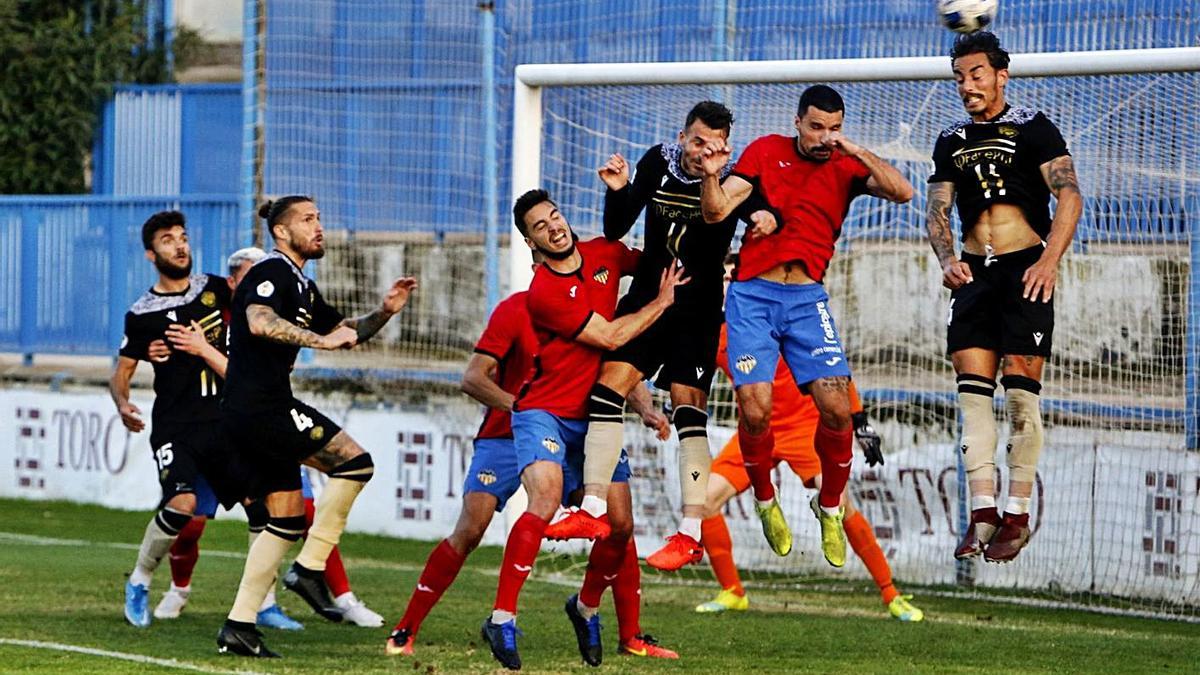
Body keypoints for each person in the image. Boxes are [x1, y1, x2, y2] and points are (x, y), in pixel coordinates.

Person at [386, 263, 676, 661]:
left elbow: (614, 370)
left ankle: (631, 635)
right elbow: (474, 377)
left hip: (577, 430)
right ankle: (407, 628)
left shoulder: (594, 312)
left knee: (617, 523)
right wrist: (524, 409)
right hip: (508, 433)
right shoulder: (515, 310)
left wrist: (646, 408)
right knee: (471, 529)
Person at [547, 101, 775, 572]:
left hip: (696, 310)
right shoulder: (658, 161)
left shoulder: (736, 179)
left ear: (725, 146)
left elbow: (759, 215)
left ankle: (690, 533)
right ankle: (591, 508)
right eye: (696, 142)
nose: (701, 152)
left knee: (688, 407)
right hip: (649, 300)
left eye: (712, 145)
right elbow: (616, 228)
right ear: (682, 135)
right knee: (606, 390)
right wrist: (618, 190)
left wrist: (764, 218)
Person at [699, 84, 913, 567]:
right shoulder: (765, 151)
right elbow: (715, 210)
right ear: (798, 122)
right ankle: (763, 498)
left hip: (806, 298)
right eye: (816, 127)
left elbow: (903, 192)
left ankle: (830, 508)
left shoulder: (845, 164)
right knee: (755, 409)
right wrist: (715, 178)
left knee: (837, 407)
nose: (824, 137)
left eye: (834, 128)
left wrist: (854, 149)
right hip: (753, 295)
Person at [480, 189, 686, 670]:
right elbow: (612, 337)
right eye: (539, 225)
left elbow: (659, 261)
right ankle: (502, 618)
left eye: (554, 216)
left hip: (596, 416)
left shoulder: (605, 254)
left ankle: (586, 606)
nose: (553, 226)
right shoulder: (543, 293)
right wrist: (662, 302)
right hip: (543, 412)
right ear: (532, 243)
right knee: (546, 500)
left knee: (620, 527)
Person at [215, 196, 417, 658]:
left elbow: (345, 330)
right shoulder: (271, 272)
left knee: (284, 520)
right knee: (356, 463)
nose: (318, 226)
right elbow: (259, 322)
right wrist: (319, 341)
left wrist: (384, 311)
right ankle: (309, 570)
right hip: (260, 408)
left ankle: (239, 626)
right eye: (308, 220)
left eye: (319, 218)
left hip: (252, 410)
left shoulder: (301, 283)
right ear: (282, 232)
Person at [924, 32, 1081, 563]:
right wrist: (947, 259)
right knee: (972, 401)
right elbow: (938, 208)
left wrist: (1048, 260)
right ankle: (982, 515)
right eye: (959, 77)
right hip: (974, 277)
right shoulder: (950, 138)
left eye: (976, 74)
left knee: (1019, 400)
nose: (967, 86)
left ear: (1000, 75)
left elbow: (1070, 194)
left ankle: (1017, 516)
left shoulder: (1034, 127)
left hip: (1025, 273)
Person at [695, 264, 922, 621]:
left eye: (730, 277)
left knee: (841, 505)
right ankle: (732, 591)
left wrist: (859, 421)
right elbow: (692, 374)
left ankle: (891, 593)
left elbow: (831, 370)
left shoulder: (774, 309)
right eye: (721, 278)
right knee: (703, 500)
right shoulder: (717, 331)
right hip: (756, 431)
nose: (726, 284)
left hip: (803, 426)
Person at [111, 211, 249, 628]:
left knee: (265, 507)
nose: (180, 244)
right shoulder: (142, 314)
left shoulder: (215, 289)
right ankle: (139, 581)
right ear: (152, 254)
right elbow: (121, 373)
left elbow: (254, 320)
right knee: (182, 505)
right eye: (169, 239)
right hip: (177, 427)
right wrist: (122, 404)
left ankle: (260, 604)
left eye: (183, 237)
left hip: (226, 424)